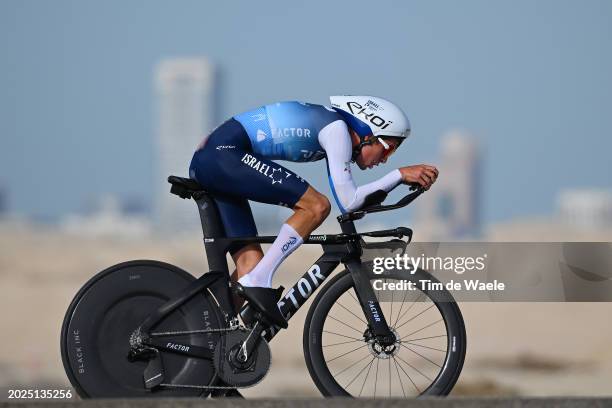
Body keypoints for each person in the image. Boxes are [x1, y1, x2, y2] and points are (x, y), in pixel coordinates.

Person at [189, 96, 438, 327]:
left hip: (215, 158)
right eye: (388, 148)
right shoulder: (337, 130)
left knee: (249, 263)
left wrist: (397, 182)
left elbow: (352, 201)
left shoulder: (334, 129)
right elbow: (348, 201)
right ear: (369, 132)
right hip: (222, 156)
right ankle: (258, 282)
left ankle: (212, 334)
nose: (385, 159)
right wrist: (399, 175)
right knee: (317, 206)